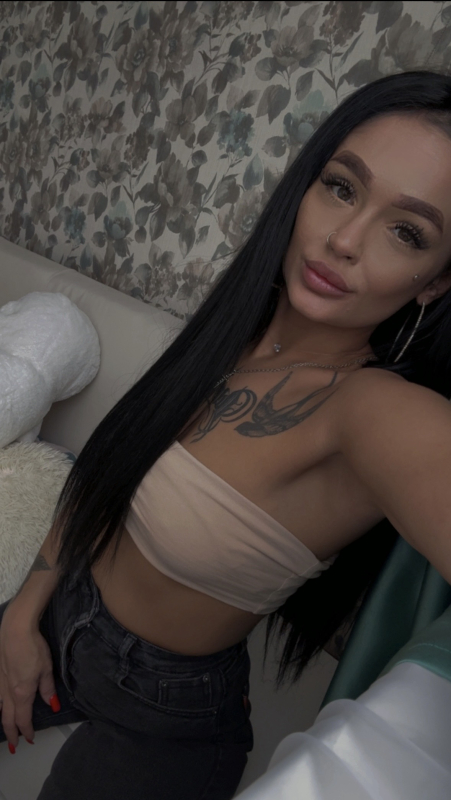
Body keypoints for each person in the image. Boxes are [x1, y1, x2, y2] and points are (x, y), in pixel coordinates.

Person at [2, 69, 451, 800]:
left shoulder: (373, 411)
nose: (343, 239)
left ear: (433, 281)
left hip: (164, 712)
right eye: (341, 187)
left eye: (407, 232)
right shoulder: (232, 332)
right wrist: (23, 616)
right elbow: (103, 476)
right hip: (62, 608)